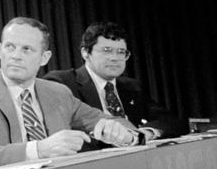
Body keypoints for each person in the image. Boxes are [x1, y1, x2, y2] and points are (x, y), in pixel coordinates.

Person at [0, 16, 138, 169]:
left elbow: (110, 121)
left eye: (27, 49)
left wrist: (122, 134)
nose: (15, 56)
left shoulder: (58, 92)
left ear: (44, 58)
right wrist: (39, 149)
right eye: (10, 47)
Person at [43, 21, 186, 141]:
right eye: (106, 50)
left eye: (121, 52)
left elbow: (171, 122)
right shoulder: (62, 82)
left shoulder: (131, 86)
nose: (115, 58)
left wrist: (145, 134)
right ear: (85, 53)